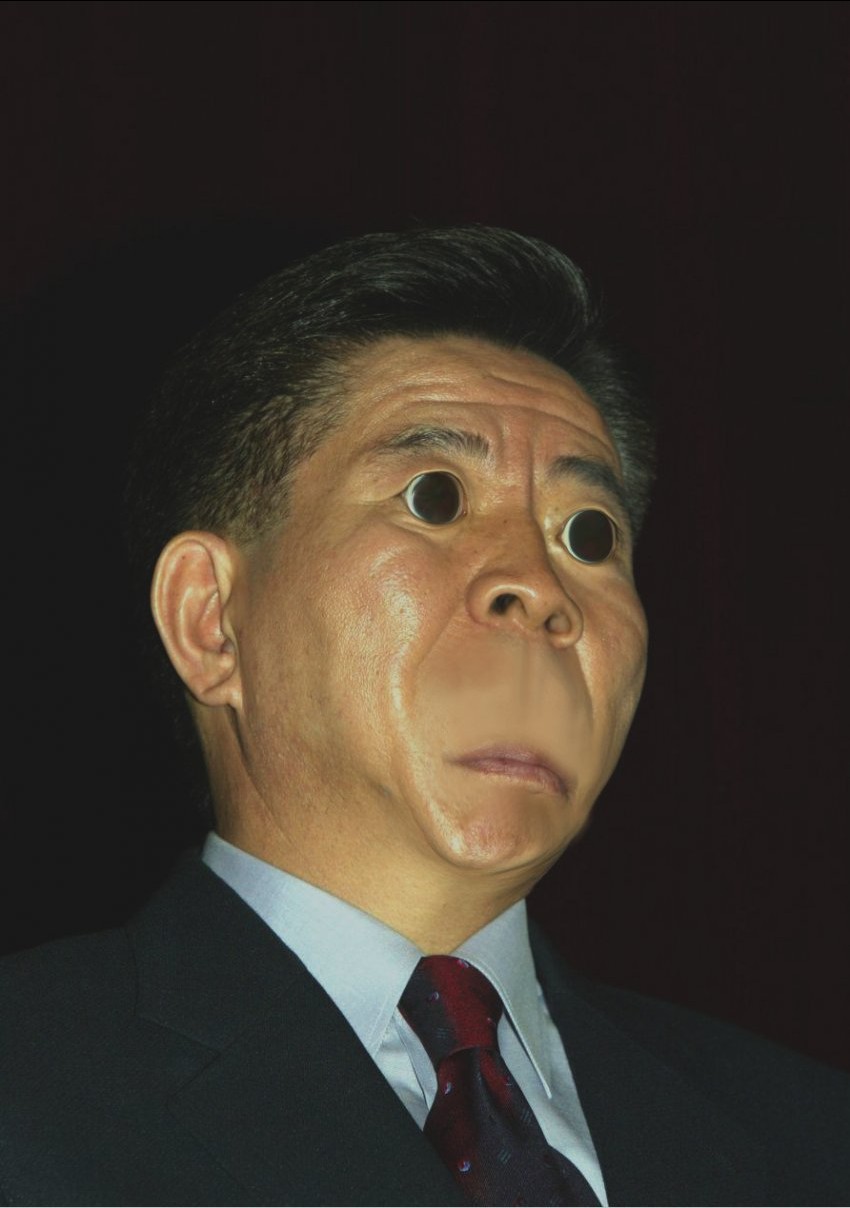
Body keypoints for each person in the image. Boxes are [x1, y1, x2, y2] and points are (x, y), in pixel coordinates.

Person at [1, 226, 847, 1207]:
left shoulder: (808, 1141)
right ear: (212, 619)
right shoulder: (31, 1093)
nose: (541, 588)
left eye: (589, 535)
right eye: (435, 498)